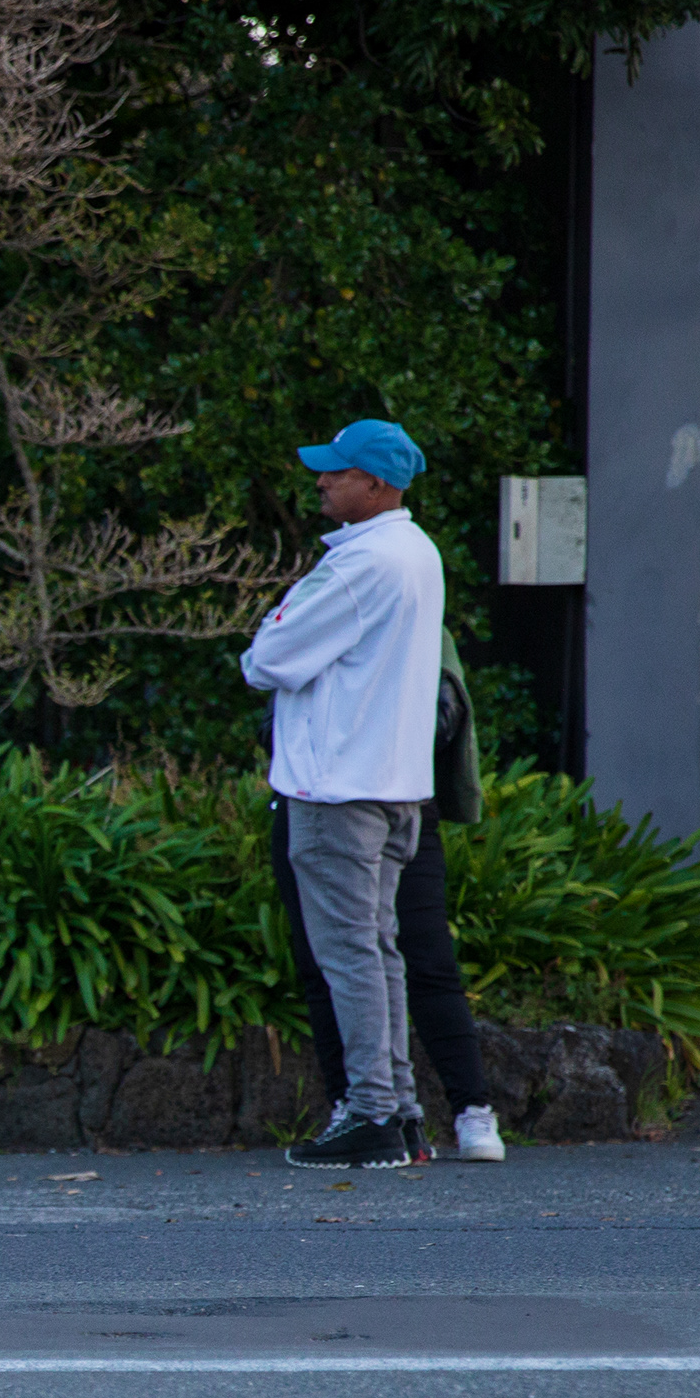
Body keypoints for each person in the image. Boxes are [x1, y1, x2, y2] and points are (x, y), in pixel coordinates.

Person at [242, 417, 443, 1173]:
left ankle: (370, 1115)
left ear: (377, 484)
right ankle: (401, 1112)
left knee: (350, 955)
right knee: (379, 950)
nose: (322, 481)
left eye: (337, 471)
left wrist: (273, 627)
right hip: (396, 788)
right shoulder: (418, 552)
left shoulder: (360, 564)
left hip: (338, 790)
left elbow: (267, 658)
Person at [275, 628, 507, 1162]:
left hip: (375, 793)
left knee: (402, 954)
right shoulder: (347, 608)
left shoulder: (397, 609)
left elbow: (263, 663)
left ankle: (433, 1110)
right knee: (345, 957)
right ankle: (375, 1112)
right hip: (338, 791)